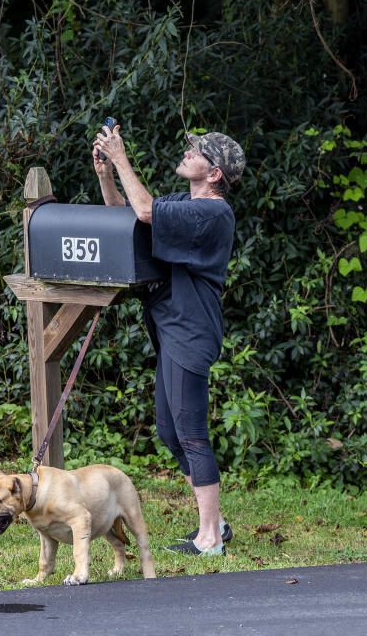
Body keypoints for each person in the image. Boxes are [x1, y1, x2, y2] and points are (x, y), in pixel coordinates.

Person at [92, 122, 245, 556]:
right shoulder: (185, 202)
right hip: (171, 326)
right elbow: (130, 217)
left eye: (197, 151)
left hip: (191, 330)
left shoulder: (213, 212)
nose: (188, 152)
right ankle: (214, 520)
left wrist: (122, 157)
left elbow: (143, 210)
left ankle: (210, 538)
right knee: (169, 430)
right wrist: (107, 174)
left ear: (214, 173)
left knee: (192, 433)